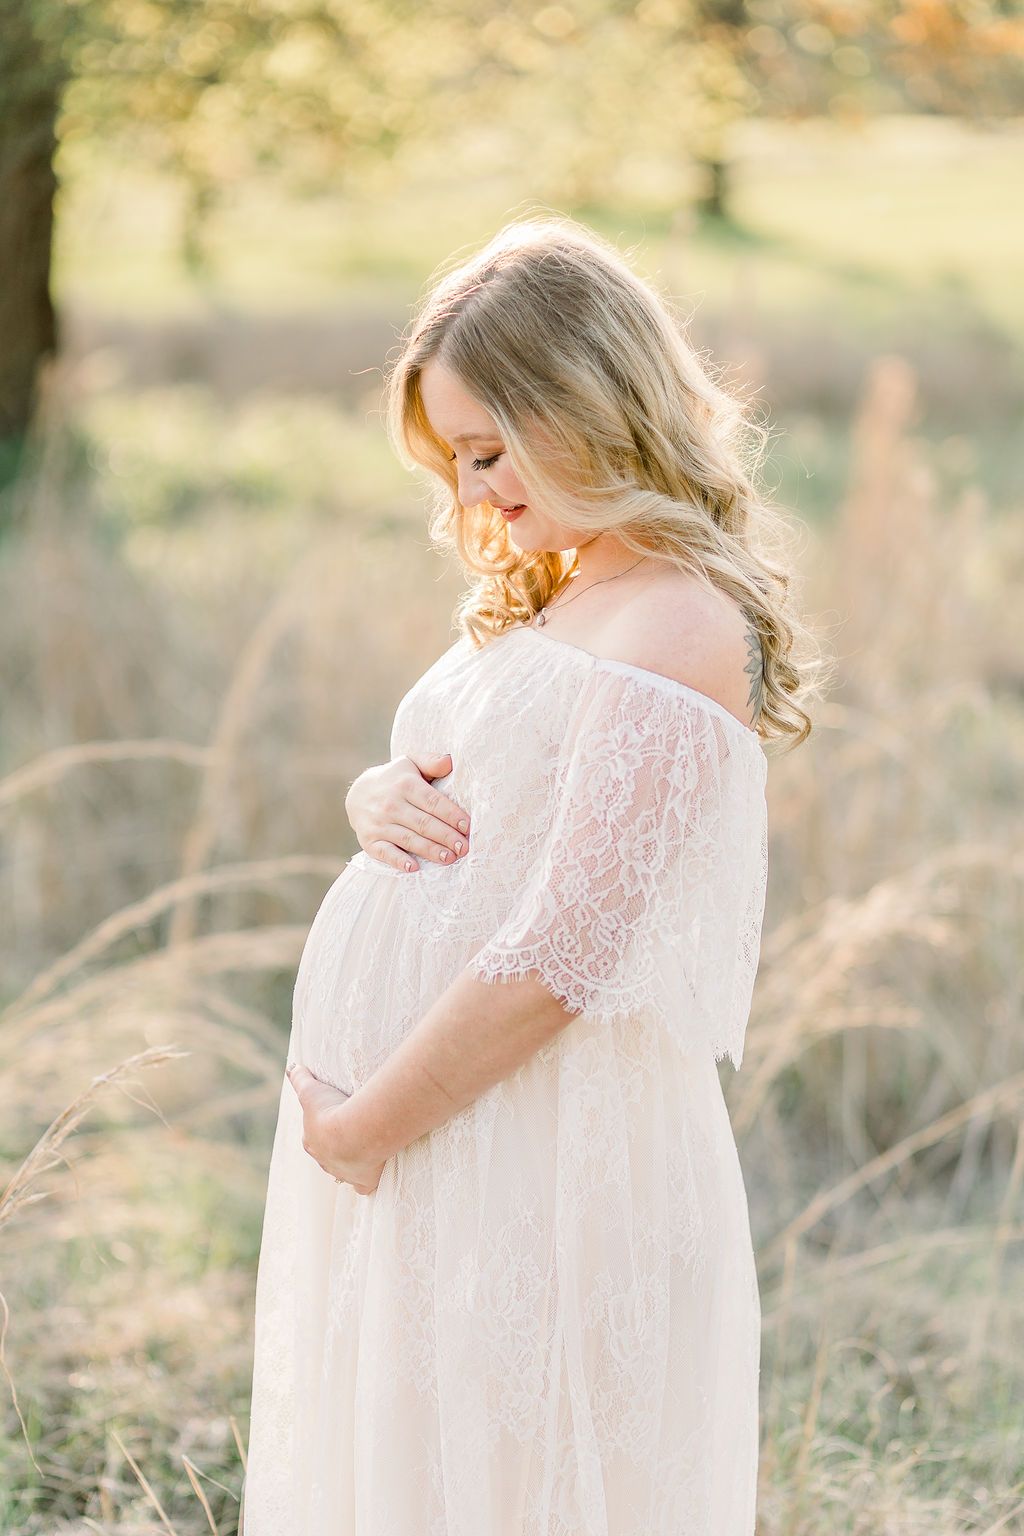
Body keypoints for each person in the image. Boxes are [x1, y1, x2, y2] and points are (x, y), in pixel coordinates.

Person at [243, 216, 811, 1536]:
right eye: (453, 466)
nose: (470, 501)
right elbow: (475, 786)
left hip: (538, 1154)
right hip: (459, 1141)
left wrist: (364, 1128)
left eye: (489, 454)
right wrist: (372, 797)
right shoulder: (563, 591)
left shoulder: (674, 620)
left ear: (586, 407)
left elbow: (564, 955)